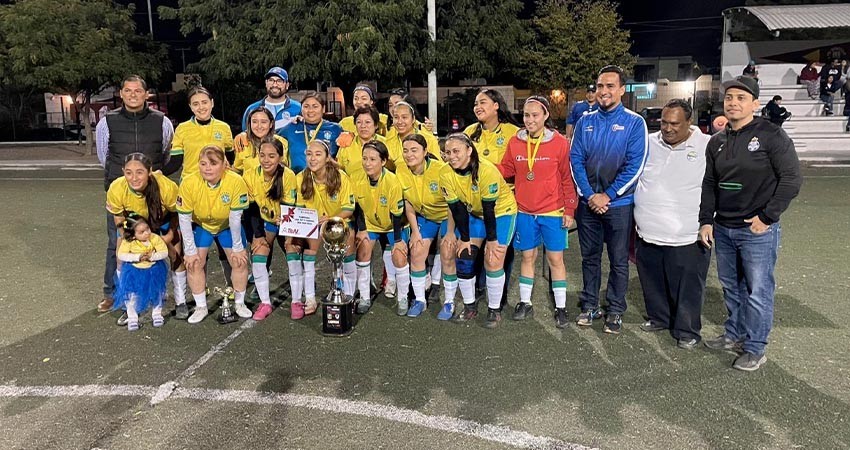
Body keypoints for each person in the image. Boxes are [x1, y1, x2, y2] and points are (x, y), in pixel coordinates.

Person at [699, 76, 802, 372]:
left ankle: (756, 348)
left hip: (757, 229)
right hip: (724, 227)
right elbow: (709, 183)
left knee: (758, 290)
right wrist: (707, 220)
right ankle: (734, 334)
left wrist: (767, 217)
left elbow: (792, 179)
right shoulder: (717, 141)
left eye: (741, 98)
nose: (733, 102)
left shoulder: (771, 135)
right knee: (732, 286)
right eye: (729, 97)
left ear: (755, 104)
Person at [570, 65, 648, 334]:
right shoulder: (584, 121)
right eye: (600, 86)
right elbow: (576, 160)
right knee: (589, 258)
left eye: (609, 86)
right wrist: (590, 195)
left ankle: (615, 309)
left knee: (618, 260)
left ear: (621, 89)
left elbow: (635, 165)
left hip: (619, 206)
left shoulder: (635, 122)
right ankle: (590, 305)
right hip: (588, 204)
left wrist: (609, 195)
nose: (603, 91)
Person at [634, 99, 711, 349]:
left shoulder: (707, 145)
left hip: (686, 233)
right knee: (652, 279)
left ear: (689, 122)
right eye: (664, 122)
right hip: (647, 230)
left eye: (674, 124)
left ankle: (687, 330)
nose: (667, 128)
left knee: (687, 286)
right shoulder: (648, 142)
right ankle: (659, 317)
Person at [95, 74, 173, 313]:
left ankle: (157, 292)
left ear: (145, 94)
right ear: (121, 93)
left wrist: (148, 177)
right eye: (127, 91)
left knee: (156, 241)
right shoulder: (107, 122)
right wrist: (125, 178)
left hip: (152, 195)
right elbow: (103, 154)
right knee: (117, 244)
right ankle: (113, 292)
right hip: (122, 194)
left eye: (137, 91)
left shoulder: (162, 121)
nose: (132, 95)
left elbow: (166, 152)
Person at [497, 96, 577, 327]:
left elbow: (566, 178)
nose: (530, 120)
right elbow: (507, 169)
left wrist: (569, 208)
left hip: (552, 211)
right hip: (524, 210)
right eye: (526, 115)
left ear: (545, 116)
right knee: (527, 257)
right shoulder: (515, 142)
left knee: (555, 259)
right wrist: (483, 166)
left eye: (534, 115)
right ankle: (525, 302)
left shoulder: (560, 143)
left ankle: (561, 307)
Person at [440, 133, 517, 328]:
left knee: (493, 258)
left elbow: (489, 208)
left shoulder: (486, 170)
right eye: (448, 152)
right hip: (474, 213)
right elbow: (457, 209)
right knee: (464, 255)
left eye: (456, 151)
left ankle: (494, 310)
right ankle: (470, 306)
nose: (452, 156)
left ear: (469, 150)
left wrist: (492, 241)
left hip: (500, 213)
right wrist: (464, 239)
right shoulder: (445, 173)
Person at [106, 153, 186, 323]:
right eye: (128, 172)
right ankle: (129, 306)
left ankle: (181, 302)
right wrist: (129, 240)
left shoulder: (166, 187)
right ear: (123, 172)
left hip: (162, 221)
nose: (134, 178)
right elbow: (119, 219)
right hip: (135, 227)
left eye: (139, 172)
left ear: (149, 171)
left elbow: (176, 212)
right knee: (121, 259)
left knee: (175, 256)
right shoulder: (116, 188)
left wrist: (170, 234)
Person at [177, 145, 251, 324]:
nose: (207, 168)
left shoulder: (235, 181)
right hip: (202, 225)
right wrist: (189, 250)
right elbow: (184, 218)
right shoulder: (188, 182)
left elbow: (235, 218)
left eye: (213, 163)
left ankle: (239, 303)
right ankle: (201, 306)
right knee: (194, 263)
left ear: (224, 164)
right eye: (203, 163)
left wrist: (238, 248)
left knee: (238, 260)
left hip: (227, 225)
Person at [291, 140, 356, 319]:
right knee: (304, 248)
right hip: (313, 224)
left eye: (318, 154)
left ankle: (349, 294)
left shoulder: (340, 176)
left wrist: (330, 219)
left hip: (336, 222)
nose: (312, 158)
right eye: (309, 154)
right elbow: (299, 209)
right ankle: (309, 298)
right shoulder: (301, 178)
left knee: (349, 240)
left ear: (328, 158)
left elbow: (348, 208)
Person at [241, 136, 298, 320]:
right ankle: (265, 303)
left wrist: (288, 231)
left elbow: (290, 207)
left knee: (293, 252)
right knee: (258, 253)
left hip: (287, 220)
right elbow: (252, 209)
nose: (266, 160)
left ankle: (297, 301)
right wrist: (258, 236)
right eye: (262, 155)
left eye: (272, 156)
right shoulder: (250, 175)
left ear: (280, 157)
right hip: (266, 221)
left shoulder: (288, 175)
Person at [398, 134, 453, 318]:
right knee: (417, 251)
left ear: (425, 152)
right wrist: (415, 231)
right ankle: (420, 300)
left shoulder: (441, 170)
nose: (409, 155)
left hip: (448, 215)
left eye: (414, 150)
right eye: (405, 150)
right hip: (424, 217)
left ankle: (449, 302)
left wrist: (451, 232)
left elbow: (453, 203)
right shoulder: (401, 170)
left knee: (447, 252)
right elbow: (408, 202)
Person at [352, 141, 410, 315]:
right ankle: (364, 296)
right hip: (370, 224)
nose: (367, 163)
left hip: (395, 226)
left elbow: (397, 215)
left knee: (399, 256)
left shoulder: (392, 182)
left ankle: (403, 297)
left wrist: (398, 241)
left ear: (383, 161)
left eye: (372, 159)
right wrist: (361, 230)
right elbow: (358, 207)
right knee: (362, 251)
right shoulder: (357, 178)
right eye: (364, 158)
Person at [112, 216, 170, 331]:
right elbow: (121, 255)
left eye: (147, 229)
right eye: (142, 232)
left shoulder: (155, 238)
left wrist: (153, 256)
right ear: (133, 235)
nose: (147, 233)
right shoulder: (129, 242)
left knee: (156, 292)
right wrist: (137, 257)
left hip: (153, 270)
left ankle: (157, 314)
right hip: (134, 271)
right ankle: (132, 318)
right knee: (132, 295)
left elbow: (164, 252)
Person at [164, 86, 234, 179]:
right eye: (196, 104)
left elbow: (230, 157)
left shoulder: (224, 127)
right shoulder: (182, 129)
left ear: (212, 103)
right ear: (191, 107)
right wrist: (158, 172)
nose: (201, 107)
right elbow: (175, 161)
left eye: (204, 102)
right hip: (190, 184)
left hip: (219, 183)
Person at [278, 91, 343, 173]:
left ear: (323, 109)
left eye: (315, 106)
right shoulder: (291, 127)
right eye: (306, 106)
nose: (310, 110)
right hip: (297, 181)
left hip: (326, 180)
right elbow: (272, 140)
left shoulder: (335, 129)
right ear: (301, 109)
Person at [463, 89, 521, 165]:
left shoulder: (513, 132)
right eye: (476, 104)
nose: (478, 107)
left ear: (496, 106)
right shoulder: (469, 131)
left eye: (483, 102)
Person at [241, 67, 302, 132]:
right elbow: (245, 135)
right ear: (266, 83)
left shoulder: (298, 108)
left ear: (287, 85)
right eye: (271, 80)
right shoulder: (252, 109)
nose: (275, 84)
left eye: (279, 81)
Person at [385, 101, 441, 171]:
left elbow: (439, 166)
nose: (399, 121)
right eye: (396, 117)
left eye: (404, 117)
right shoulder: (388, 143)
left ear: (413, 119)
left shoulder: (429, 139)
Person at [233, 107, 290, 174]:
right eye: (254, 122)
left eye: (263, 122)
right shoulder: (243, 142)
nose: (259, 126)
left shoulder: (282, 142)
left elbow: (286, 169)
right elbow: (236, 171)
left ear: (271, 124)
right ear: (249, 123)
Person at [336, 106, 386, 182]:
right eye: (359, 122)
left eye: (367, 122)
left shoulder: (385, 143)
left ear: (375, 125)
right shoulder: (347, 143)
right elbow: (339, 170)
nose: (363, 126)